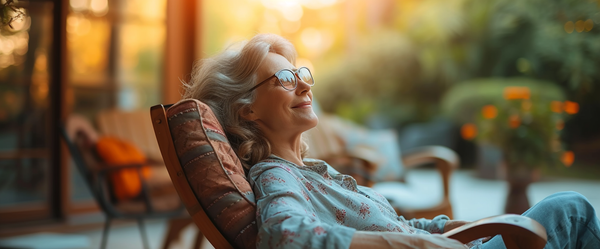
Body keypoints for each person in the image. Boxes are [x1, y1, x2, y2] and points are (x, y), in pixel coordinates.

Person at [182, 33, 600, 249]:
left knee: (561, 210)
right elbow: (287, 237)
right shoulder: (276, 175)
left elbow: (404, 225)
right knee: (571, 210)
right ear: (246, 111)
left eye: (303, 75)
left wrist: (452, 229)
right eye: (285, 79)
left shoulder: (313, 174)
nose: (305, 87)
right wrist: (414, 244)